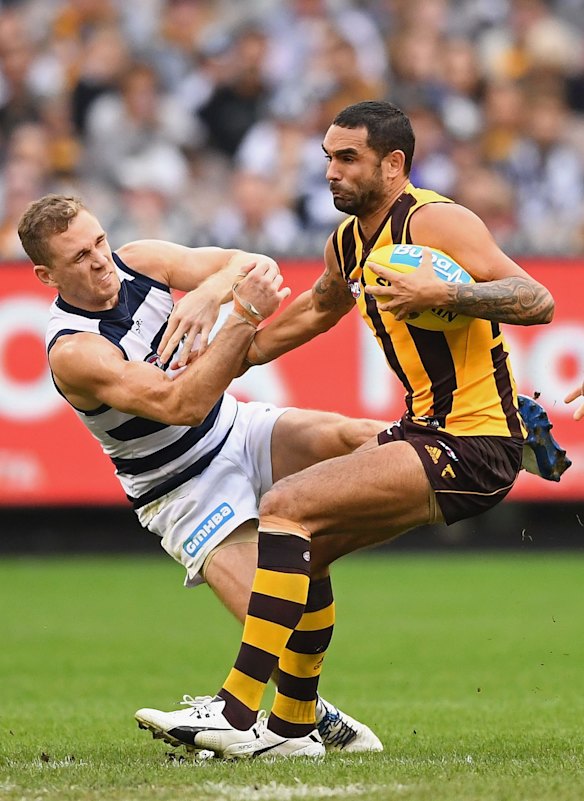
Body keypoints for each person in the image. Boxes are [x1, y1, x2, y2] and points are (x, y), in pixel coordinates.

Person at [140, 100, 561, 760]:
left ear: (393, 164)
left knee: (284, 507)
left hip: (471, 442)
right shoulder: (350, 242)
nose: (331, 173)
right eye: (327, 159)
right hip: (429, 432)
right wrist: (224, 354)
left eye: (347, 158)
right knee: (303, 553)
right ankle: (290, 728)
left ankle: (235, 707)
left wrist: (448, 294)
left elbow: (537, 299)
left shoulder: (435, 220)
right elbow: (313, 310)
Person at [18, 193, 388, 755]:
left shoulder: (140, 259)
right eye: (79, 258)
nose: (100, 261)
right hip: (179, 487)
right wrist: (239, 315)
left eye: (99, 241)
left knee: (357, 437)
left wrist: (211, 292)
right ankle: (308, 718)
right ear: (47, 275)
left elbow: (253, 264)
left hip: (235, 427)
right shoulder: (75, 350)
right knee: (275, 615)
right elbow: (182, 403)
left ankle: (474, 441)